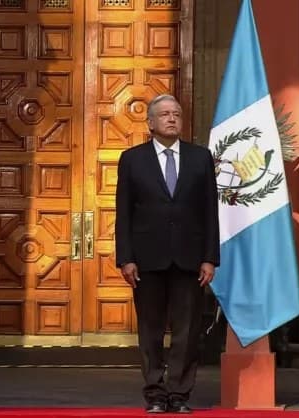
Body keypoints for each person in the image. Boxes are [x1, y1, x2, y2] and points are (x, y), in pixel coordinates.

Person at [115, 94, 219, 414]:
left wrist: (209, 257)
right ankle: (155, 394)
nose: (172, 119)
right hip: (147, 259)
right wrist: (126, 258)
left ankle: (179, 393)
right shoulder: (132, 159)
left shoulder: (200, 158)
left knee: (187, 331)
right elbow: (124, 213)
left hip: (189, 258)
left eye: (176, 113)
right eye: (164, 114)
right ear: (150, 123)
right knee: (150, 330)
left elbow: (210, 212)